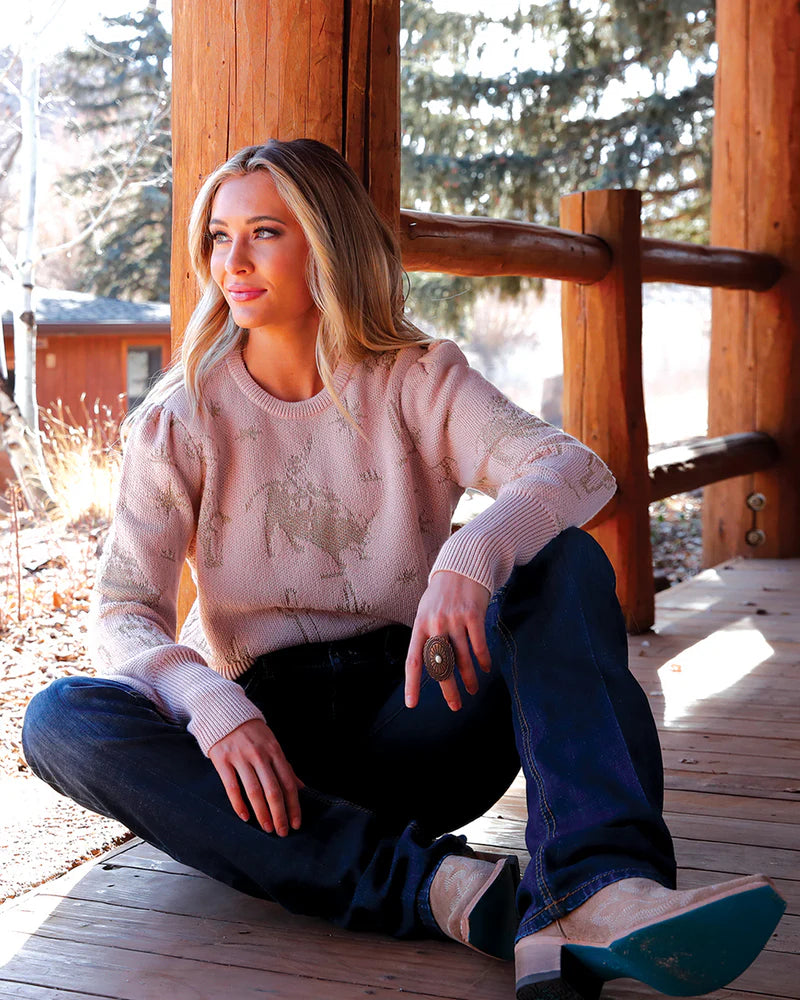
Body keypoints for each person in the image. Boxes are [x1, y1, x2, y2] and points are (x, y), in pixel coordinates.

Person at [22, 139, 784, 1000]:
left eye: (264, 232)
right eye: (217, 236)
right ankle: (452, 892)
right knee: (60, 718)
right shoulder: (181, 417)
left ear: (328, 241)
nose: (231, 261)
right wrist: (209, 702)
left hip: (424, 711)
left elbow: (576, 470)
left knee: (562, 560)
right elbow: (124, 610)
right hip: (269, 755)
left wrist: (470, 554)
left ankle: (599, 885)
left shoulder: (419, 379)